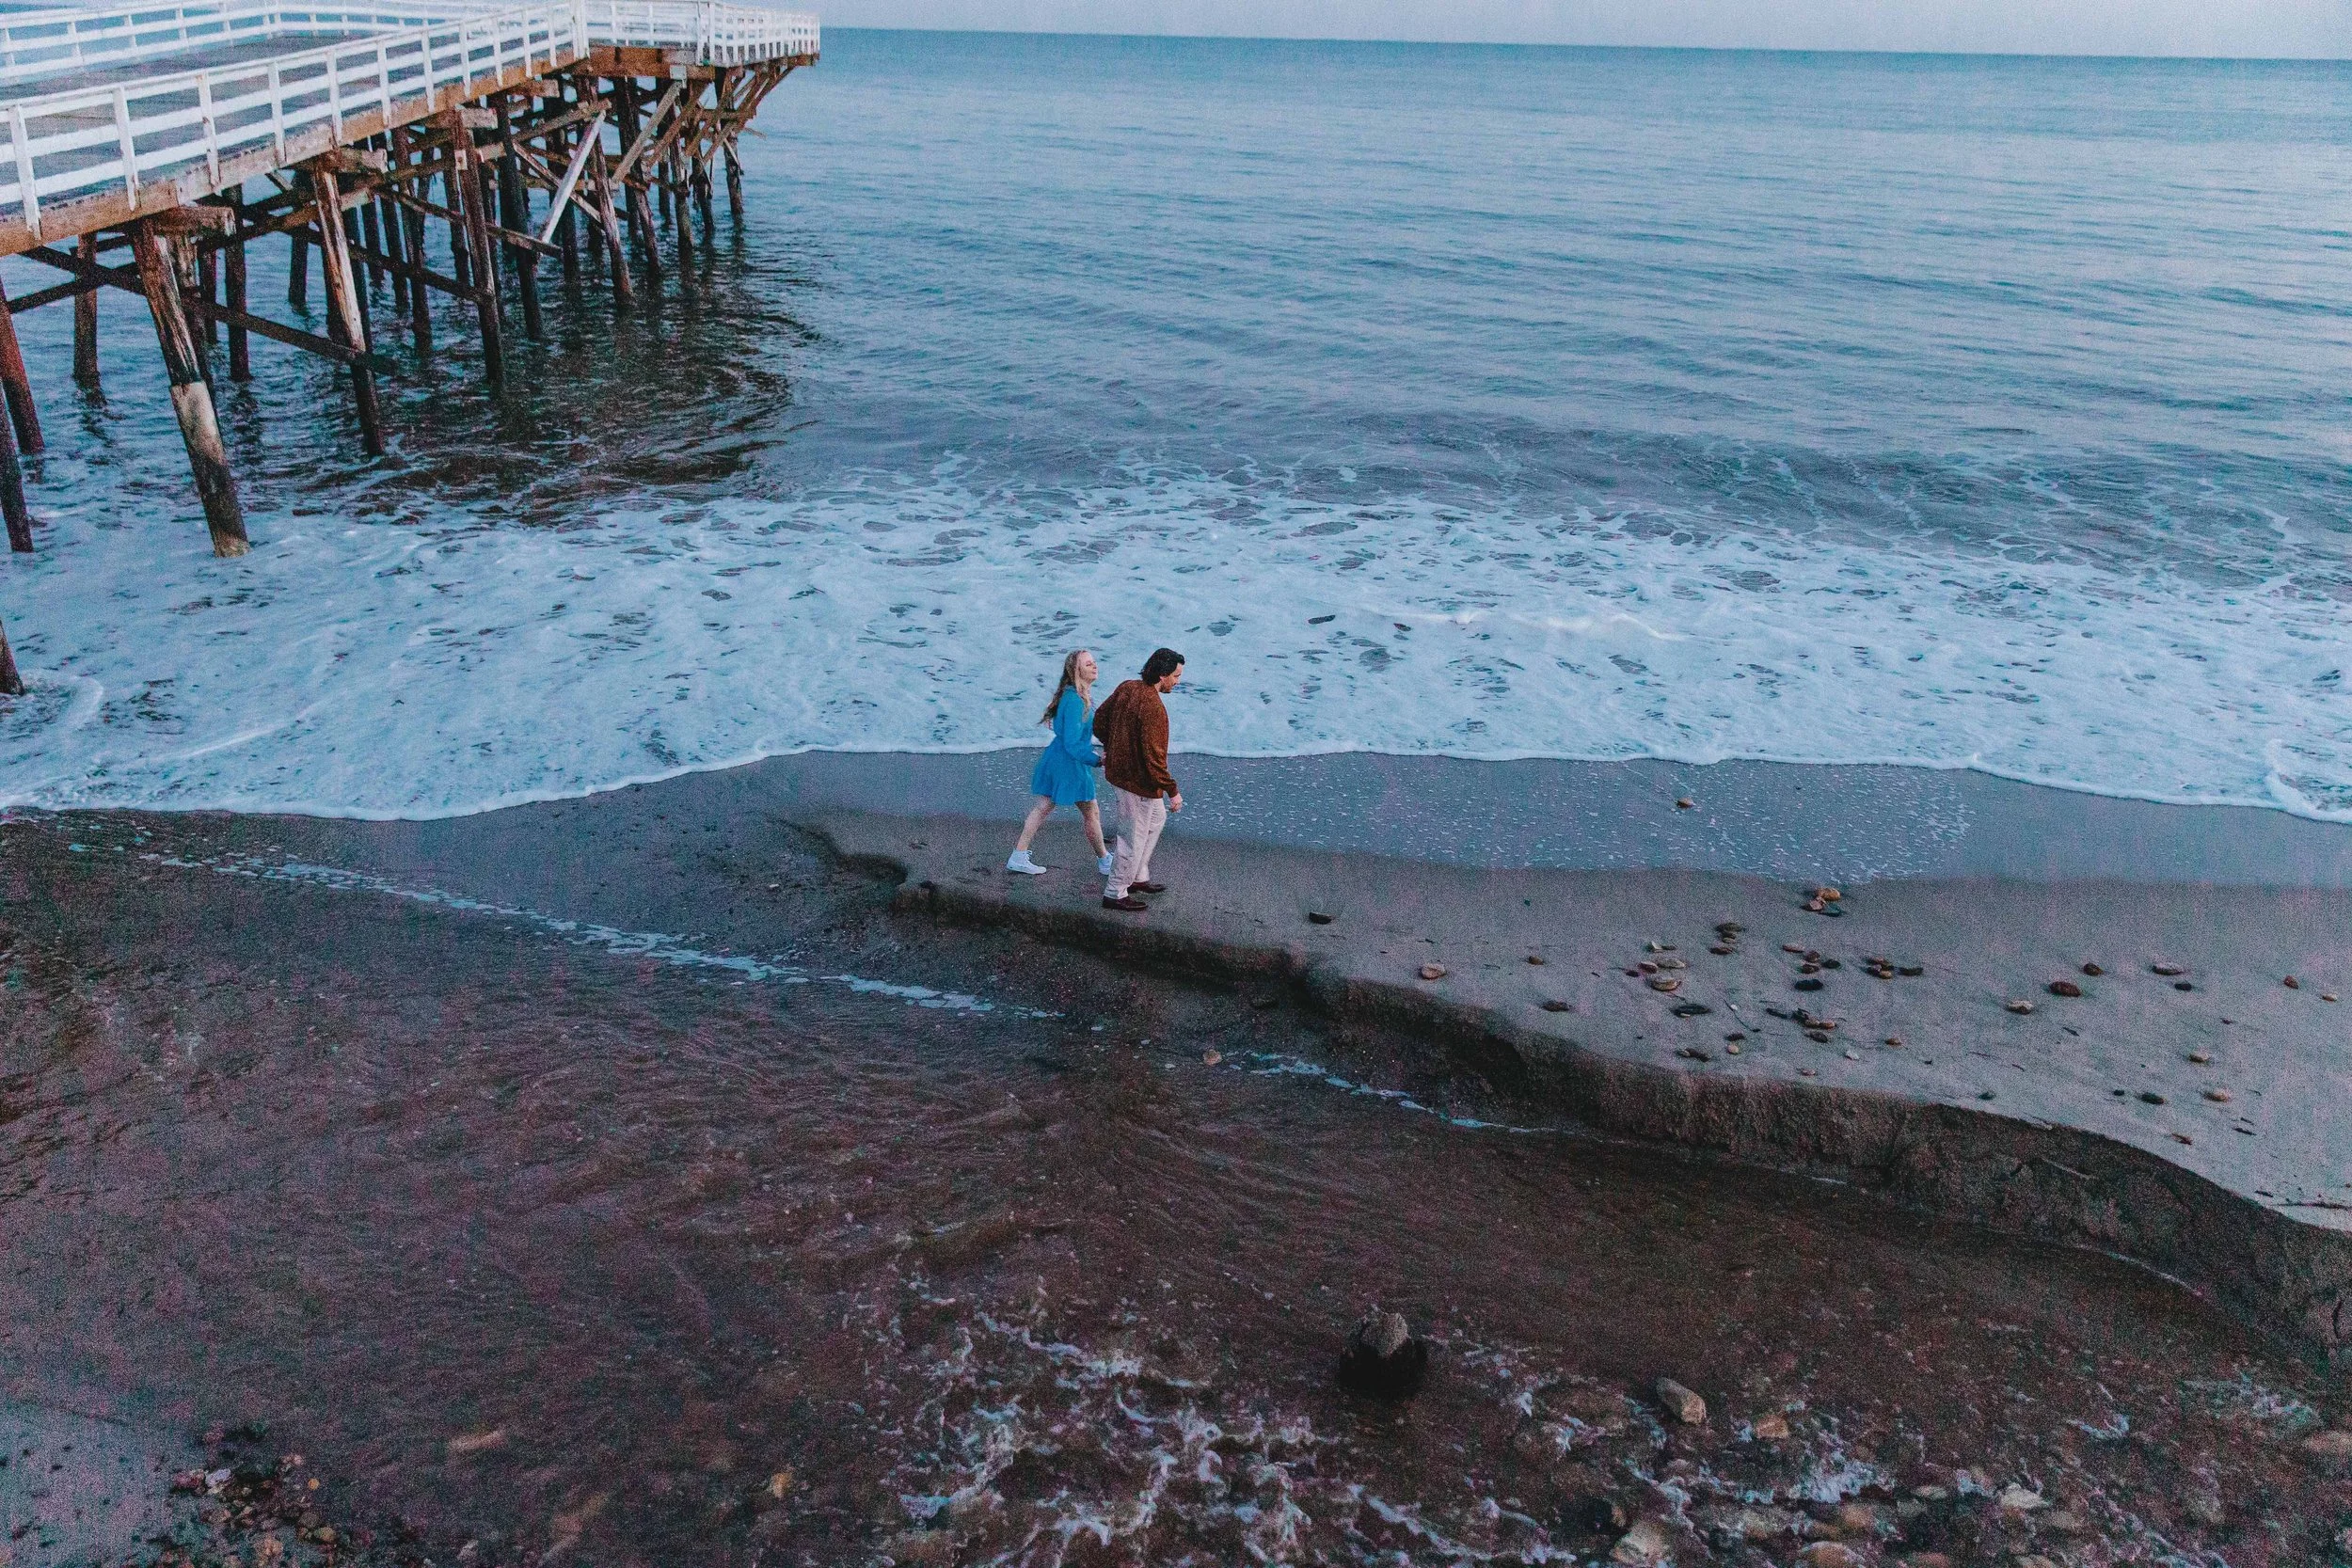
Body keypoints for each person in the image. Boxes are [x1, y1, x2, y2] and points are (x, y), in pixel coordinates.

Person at [1007, 649, 1117, 878]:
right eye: (1088, 664)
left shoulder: (1073, 695)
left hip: (1058, 758)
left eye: (1094, 662)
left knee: (1044, 807)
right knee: (1090, 812)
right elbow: (1073, 743)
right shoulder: (1075, 699)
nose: (1095, 666)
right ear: (1076, 670)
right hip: (1070, 764)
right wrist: (1097, 761)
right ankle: (1105, 861)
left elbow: (1068, 735)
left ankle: (1018, 856)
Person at [1092, 647, 1184, 912]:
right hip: (1138, 783)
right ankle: (1115, 892)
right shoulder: (1154, 708)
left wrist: (1113, 746)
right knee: (1132, 837)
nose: (1177, 682)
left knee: (1156, 819)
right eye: (1176, 677)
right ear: (1163, 675)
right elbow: (1154, 760)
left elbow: (1099, 720)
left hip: (1120, 775)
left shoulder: (1128, 687)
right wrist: (1173, 791)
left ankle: (1136, 876)